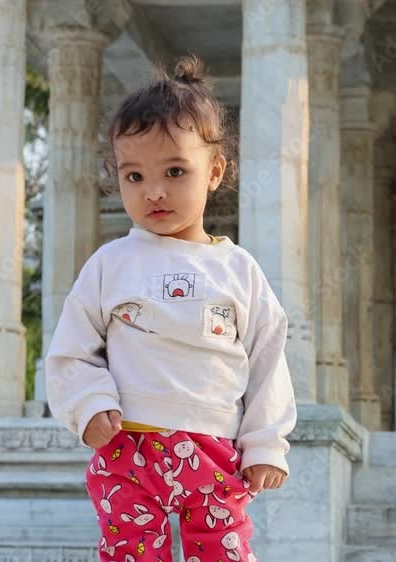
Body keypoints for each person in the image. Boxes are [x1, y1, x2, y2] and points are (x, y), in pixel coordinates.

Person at [45, 52, 297, 562]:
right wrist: (88, 404)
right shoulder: (110, 264)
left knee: (224, 554)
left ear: (214, 172)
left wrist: (267, 442)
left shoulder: (239, 270)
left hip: (217, 451)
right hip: (127, 450)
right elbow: (71, 350)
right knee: (130, 554)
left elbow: (269, 359)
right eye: (133, 176)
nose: (153, 191)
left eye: (175, 171)